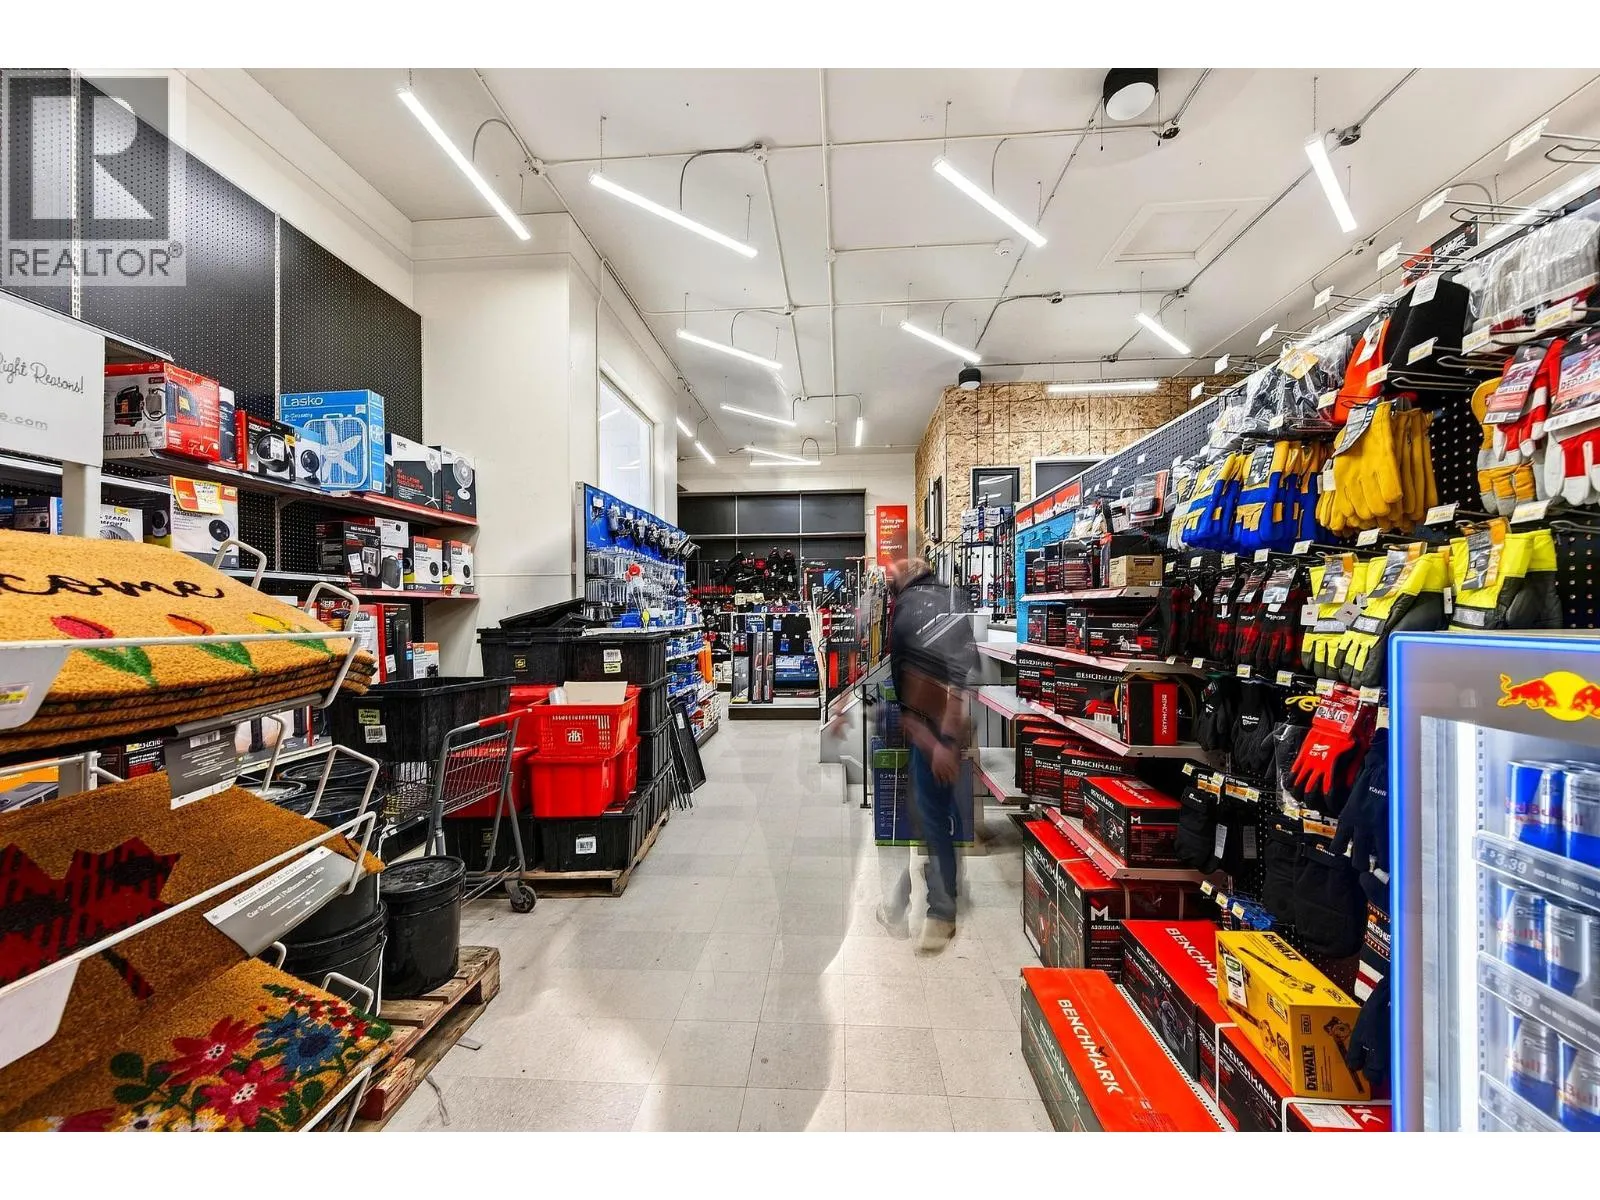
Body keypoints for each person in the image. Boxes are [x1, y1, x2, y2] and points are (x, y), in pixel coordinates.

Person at [878, 557, 978, 952]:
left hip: (934, 730)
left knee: (932, 819)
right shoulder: (950, 597)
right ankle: (907, 901)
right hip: (942, 726)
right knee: (930, 815)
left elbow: (931, 684)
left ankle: (940, 912)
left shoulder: (910, 609)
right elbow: (958, 678)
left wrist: (941, 744)